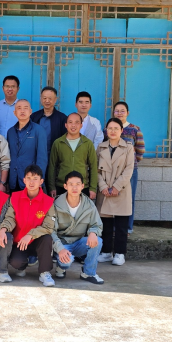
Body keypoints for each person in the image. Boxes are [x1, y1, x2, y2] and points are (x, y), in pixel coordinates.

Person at [0, 165, 56, 286]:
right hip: (20, 242)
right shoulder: (15, 197)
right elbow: (10, 218)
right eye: (28, 178)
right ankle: (23, 265)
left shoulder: (48, 201)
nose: (31, 182)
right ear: (24, 180)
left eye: (35, 178)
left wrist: (30, 235)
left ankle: (44, 273)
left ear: (41, 181)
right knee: (16, 262)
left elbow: (48, 227)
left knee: (47, 238)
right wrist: (3, 229)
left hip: (37, 241)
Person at [52, 171, 104, 284]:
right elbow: (50, 230)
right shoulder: (56, 204)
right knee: (66, 262)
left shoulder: (89, 205)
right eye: (71, 184)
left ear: (82, 186)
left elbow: (97, 225)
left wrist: (93, 232)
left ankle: (88, 273)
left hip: (79, 243)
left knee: (98, 241)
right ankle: (60, 267)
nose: (74, 187)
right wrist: (60, 249)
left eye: (77, 184)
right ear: (65, 186)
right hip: (62, 244)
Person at [96, 118, 135, 266]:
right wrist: (102, 186)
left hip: (121, 190)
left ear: (121, 130)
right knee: (105, 225)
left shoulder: (128, 147)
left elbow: (129, 169)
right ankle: (106, 252)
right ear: (106, 131)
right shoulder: (100, 147)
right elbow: (95, 169)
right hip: (105, 191)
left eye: (116, 128)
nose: (112, 131)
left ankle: (119, 253)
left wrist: (117, 187)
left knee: (121, 225)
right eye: (110, 128)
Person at [109, 101, 145, 234]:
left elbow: (140, 150)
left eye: (122, 111)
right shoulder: (108, 129)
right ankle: (113, 227)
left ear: (127, 113)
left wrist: (132, 163)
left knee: (129, 198)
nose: (119, 113)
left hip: (130, 171)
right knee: (112, 197)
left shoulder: (135, 129)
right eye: (117, 111)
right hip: (112, 171)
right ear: (113, 112)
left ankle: (128, 227)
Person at [48, 113, 98, 199]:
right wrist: (52, 187)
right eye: (70, 122)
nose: (73, 125)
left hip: (82, 186)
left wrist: (93, 188)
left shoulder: (88, 143)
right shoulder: (58, 143)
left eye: (77, 122)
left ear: (81, 125)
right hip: (62, 186)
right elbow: (52, 166)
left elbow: (93, 166)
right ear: (66, 125)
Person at [6, 100, 48, 192]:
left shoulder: (38, 130)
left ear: (30, 112)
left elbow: (42, 158)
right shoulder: (10, 132)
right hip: (14, 180)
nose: (22, 111)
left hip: (31, 181)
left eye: (25, 108)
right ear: (14, 113)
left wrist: (38, 180)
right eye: (19, 108)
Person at [30, 86, 67, 158]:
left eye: (50, 98)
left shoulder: (62, 118)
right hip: (36, 156)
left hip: (55, 156)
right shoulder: (33, 117)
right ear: (41, 99)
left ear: (55, 100)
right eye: (44, 98)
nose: (47, 101)